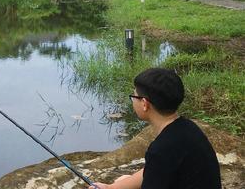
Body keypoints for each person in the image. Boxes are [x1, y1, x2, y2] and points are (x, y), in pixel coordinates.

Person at [89, 68, 221, 189]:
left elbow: (157, 166)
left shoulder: (161, 149)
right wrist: (111, 187)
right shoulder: (188, 129)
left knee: (123, 179)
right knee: (124, 180)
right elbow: (154, 170)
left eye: (133, 96)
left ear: (145, 104)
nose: (132, 100)